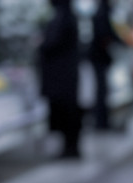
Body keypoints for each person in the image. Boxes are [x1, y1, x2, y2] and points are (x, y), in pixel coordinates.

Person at [38, 0, 82, 159]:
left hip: (62, 75)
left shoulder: (62, 16)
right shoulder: (67, 15)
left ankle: (70, 148)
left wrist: (41, 44)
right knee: (68, 112)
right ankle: (70, 147)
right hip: (66, 74)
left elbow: (52, 43)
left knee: (66, 112)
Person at [88, 0, 123, 131]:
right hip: (99, 57)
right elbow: (106, 33)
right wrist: (121, 41)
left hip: (99, 56)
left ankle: (102, 121)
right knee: (101, 90)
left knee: (102, 90)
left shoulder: (102, 11)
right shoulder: (103, 12)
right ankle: (101, 122)